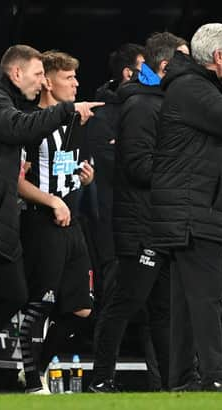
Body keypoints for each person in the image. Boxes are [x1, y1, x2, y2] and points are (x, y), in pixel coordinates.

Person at [0, 44, 102, 394]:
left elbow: (9, 140)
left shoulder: (1, 100)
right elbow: (18, 128)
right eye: (38, 74)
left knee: (15, 293)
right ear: (16, 73)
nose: (41, 82)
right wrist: (68, 110)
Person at [148, 23, 222, 392]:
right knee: (207, 299)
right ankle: (215, 377)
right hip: (195, 210)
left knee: (186, 301)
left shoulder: (200, 87)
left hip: (195, 207)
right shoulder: (192, 87)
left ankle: (182, 380)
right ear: (217, 56)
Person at [90, 32, 188, 393]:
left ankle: (171, 384)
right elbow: (136, 167)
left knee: (163, 310)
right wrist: (181, 168)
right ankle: (101, 379)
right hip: (140, 224)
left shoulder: (159, 103)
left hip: (159, 222)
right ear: (165, 66)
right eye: (184, 60)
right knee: (124, 303)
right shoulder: (142, 106)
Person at [16, 50, 96, 394]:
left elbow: (63, 171)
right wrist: (51, 201)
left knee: (81, 309)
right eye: (69, 78)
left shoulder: (76, 124)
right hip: (41, 221)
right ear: (48, 82)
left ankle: (39, 366)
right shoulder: (28, 123)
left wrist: (83, 180)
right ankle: (32, 383)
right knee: (39, 304)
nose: (76, 84)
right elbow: (16, 180)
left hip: (71, 221)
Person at [84, 43, 145, 304]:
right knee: (112, 291)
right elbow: (117, 163)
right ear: (128, 74)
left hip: (142, 217)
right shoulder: (100, 114)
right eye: (146, 71)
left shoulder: (147, 108)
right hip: (109, 218)